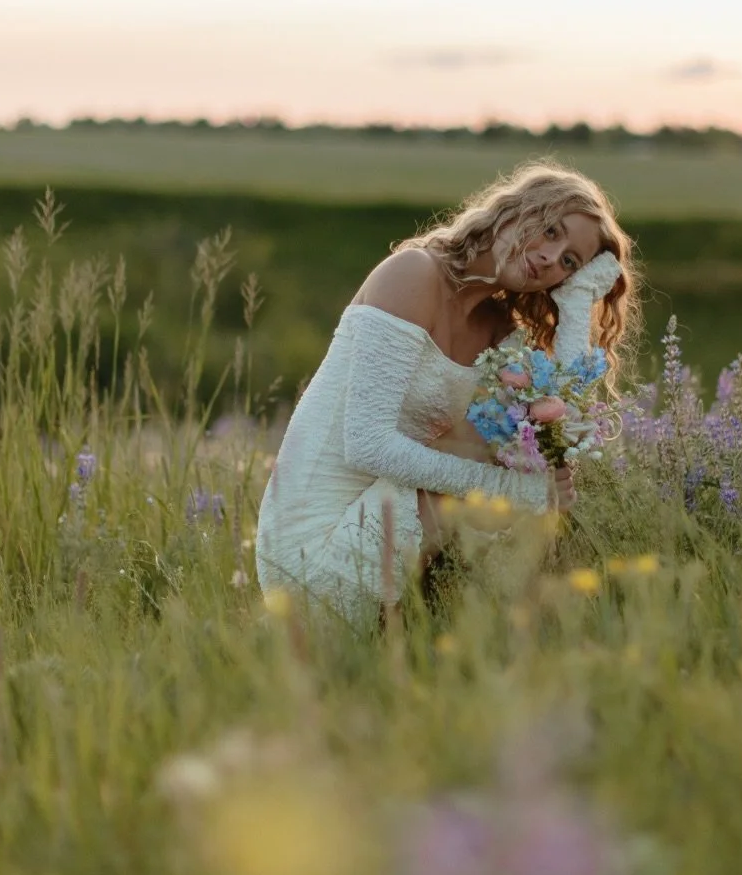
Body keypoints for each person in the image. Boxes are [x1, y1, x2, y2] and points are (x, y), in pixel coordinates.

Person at [255, 161, 640, 619]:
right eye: (551, 231)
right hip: (310, 546)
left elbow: (560, 425)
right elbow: (366, 445)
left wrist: (576, 305)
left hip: (393, 513)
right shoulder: (413, 275)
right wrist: (507, 489)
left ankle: (459, 636)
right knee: (502, 481)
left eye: (569, 263)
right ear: (518, 209)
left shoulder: (498, 328)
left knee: (522, 454)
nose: (549, 258)